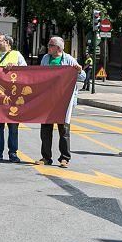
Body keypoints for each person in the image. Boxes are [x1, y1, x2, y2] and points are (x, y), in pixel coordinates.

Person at [39, 36, 85, 168]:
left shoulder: (69, 59)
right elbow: (40, 75)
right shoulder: (46, 59)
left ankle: (64, 158)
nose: (48, 47)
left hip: (64, 101)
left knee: (63, 130)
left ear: (58, 48)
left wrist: (80, 70)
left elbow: (82, 77)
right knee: (46, 130)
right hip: (48, 99)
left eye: (50, 45)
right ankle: (46, 157)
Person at [0, 34, 27, 163]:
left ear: (8, 42)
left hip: (13, 97)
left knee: (13, 127)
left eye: (0, 41)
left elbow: (26, 72)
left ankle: (13, 153)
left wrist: (15, 68)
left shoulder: (16, 55)